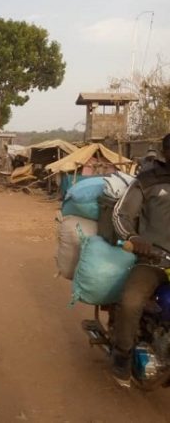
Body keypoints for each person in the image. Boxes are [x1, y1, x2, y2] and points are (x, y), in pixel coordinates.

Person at [111, 133, 170, 387]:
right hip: (154, 259)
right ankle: (122, 353)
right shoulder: (147, 181)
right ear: (166, 153)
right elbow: (121, 215)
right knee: (131, 300)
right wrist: (134, 238)